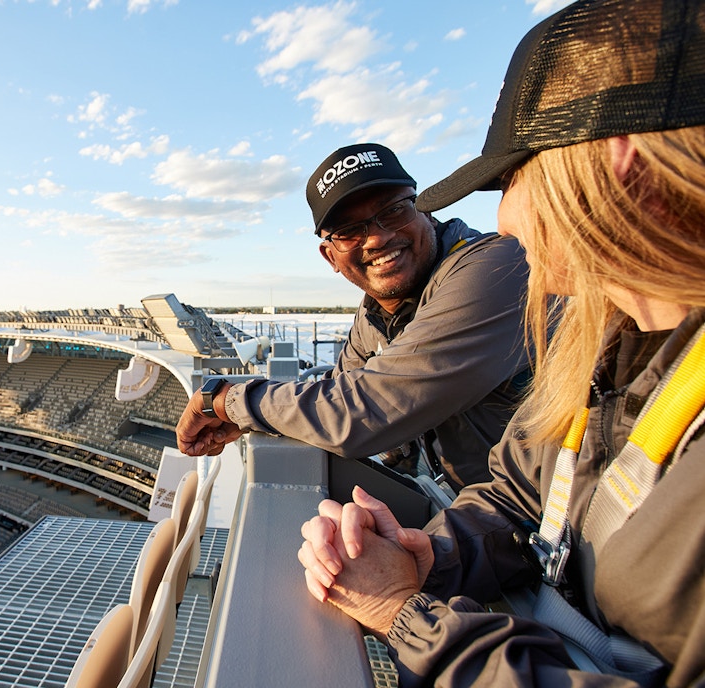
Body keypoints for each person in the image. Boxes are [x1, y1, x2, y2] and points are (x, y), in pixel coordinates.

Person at [297, 0, 705, 684]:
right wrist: (426, 556)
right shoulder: (611, 343)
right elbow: (522, 498)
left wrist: (404, 612)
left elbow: (364, 410)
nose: (504, 218)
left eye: (514, 178)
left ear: (619, 168)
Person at [175, 142, 531, 491]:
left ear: (426, 210)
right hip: (476, 509)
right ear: (330, 257)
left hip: (550, 527)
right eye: (348, 231)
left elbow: (365, 410)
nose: (376, 239)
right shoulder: (378, 308)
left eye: (393, 211)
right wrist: (255, 420)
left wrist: (230, 400)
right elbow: (340, 388)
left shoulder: (495, 269)